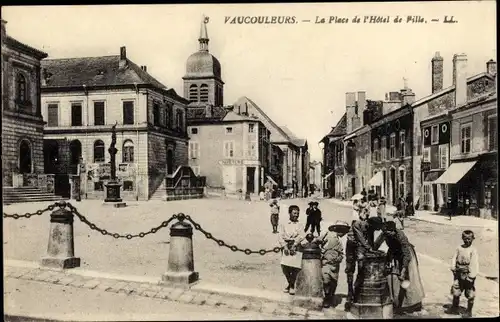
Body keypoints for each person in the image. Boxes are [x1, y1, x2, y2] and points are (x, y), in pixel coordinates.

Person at [374, 221, 425, 315]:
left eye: (389, 233)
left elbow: (406, 255)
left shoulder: (401, 236)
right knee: (392, 277)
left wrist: (404, 269)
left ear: (393, 231)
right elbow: (377, 243)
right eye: (385, 233)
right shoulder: (385, 232)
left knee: (408, 279)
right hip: (394, 253)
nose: (387, 235)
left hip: (406, 255)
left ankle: (411, 304)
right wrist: (373, 251)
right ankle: (395, 302)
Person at [445, 230, 479, 318]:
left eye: (469, 239)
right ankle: (454, 308)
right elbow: (454, 258)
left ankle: (469, 311)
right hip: (458, 273)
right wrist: (453, 267)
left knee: (470, 293)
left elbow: (474, 263)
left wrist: (471, 276)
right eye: (465, 238)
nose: (467, 241)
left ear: (472, 239)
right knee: (456, 291)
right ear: (462, 238)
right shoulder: (459, 248)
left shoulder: (473, 250)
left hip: (468, 274)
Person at [318, 220, 350, 308]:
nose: (344, 233)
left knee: (333, 282)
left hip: (335, 264)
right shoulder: (328, 234)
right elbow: (318, 242)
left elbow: (341, 253)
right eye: (343, 231)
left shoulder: (341, 241)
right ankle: (327, 297)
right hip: (326, 262)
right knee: (326, 280)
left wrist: (339, 258)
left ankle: (330, 297)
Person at [278, 205, 305, 295]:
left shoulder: (300, 224)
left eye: (297, 214)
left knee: (294, 267)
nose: (296, 215)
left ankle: (291, 286)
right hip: (286, 245)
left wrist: (295, 244)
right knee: (284, 267)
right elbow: (280, 235)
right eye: (294, 213)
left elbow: (302, 235)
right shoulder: (283, 223)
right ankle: (290, 283)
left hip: (296, 246)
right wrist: (284, 246)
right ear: (289, 213)